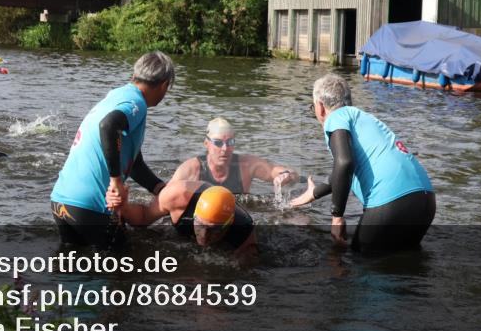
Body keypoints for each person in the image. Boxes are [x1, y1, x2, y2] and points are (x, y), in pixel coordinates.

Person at [290, 74, 435, 255]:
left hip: (391, 200)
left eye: (313, 107)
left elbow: (344, 163)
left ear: (320, 107)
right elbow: (343, 171)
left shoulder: (335, 118)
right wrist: (314, 193)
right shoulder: (365, 119)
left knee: (361, 265)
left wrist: (337, 217)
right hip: (425, 199)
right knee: (405, 264)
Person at [50, 51, 175, 248]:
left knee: (71, 268)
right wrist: (116, 181)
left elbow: (134, 164)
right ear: (164, 84)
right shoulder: (137, 103)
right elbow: (108, 126)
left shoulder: (118, 95)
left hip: (61, 201)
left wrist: (160, 188)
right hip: (91, 206)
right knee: (121, 271)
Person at [120, 182, 256, 260]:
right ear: (194, 214)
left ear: (228, 225)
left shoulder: (243, 230)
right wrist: (123, 207)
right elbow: (143, 217)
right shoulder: (177, 197)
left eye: (213, 229)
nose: (203, 235)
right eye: (200, 225)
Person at [170, 117, 299, 194]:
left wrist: (286, 175)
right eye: (218, 143)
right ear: (206, 144)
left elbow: (279, 171)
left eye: (230, 142)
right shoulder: (191, 169)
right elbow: (164, 197)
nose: (225, 148)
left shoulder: (246, 166)